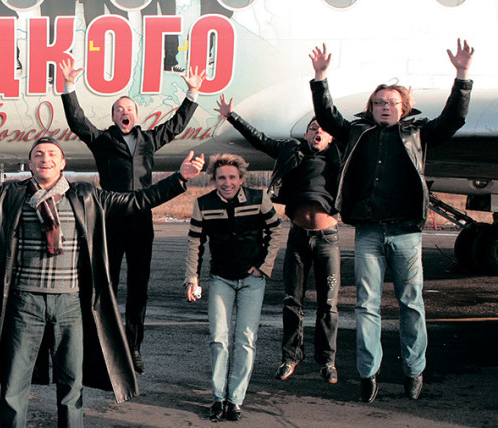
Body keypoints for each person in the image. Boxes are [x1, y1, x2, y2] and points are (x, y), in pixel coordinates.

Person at [0, 138, 205, 427]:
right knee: (14, 385)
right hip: (24, 304)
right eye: (39, 155)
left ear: (63, 163)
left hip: (70, 305)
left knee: (72, 386)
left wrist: (179, 179)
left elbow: (137, 200)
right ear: (30, 163)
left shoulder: (86, 196)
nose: (45, 158)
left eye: (52, 154)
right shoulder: (10, 194)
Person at [309, 40, 474, 403]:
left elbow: (454, 119)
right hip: (369, 232)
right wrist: (320, 78)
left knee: (410, 303)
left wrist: (462, 76)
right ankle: (369, 374)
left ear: (404, 108)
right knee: (366, 305)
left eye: (392, 103)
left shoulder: (417, 134)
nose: (385, 107)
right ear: (371, 108)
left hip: (405, 233)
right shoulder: (358, 133)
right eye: (379, 103)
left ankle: (414, 371)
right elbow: (328, 116)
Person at [58, 57, 200, 374]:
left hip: (141, 222)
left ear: (136, 116)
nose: (125, 112)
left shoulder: (149, 140)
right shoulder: (102, 141)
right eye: (119, 109)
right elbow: (77, 121)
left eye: (130, 109)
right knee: (105, 285)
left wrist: (192, 93)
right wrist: (68, 86)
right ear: (113, 117)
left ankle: (133, 347)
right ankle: (102, 344)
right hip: (109, 221)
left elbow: (176, 125)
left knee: (138, 288)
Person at [216, 96, 342, 384]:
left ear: (331, 137)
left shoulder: (339, 156)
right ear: (305, 134)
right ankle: (290, 357)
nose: (317, 132)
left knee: (328, 304)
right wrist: (232, 116)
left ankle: (327, 361)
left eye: (322, 129)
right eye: (312, 128)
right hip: (298, 237)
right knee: (292, 301)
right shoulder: (291, 151)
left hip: (327, 240)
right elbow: (259, 140)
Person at [184, 154, 282, 422]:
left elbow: (276, 230)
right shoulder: (203, 204)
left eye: (232, 177)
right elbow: (195, 243)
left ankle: (235, 400)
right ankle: (218, 398)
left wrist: (264, 266)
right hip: (221, 279)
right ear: (213, 180)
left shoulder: (259, 198)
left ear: (241, 179)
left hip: (252, 280)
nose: (226, 183)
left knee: (246, 340)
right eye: (221, 178)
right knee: (218, 338)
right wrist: (192, 278)